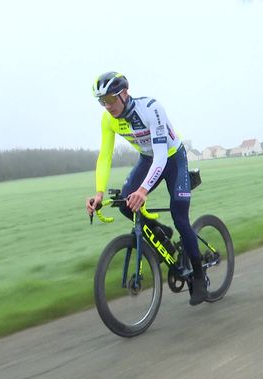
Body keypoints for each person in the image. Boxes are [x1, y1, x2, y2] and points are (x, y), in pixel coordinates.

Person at [85, 71, 205, 306]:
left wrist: (143, 190)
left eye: (110, 99)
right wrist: (99, 193)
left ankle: (199, 276)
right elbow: (105, 157)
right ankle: (160, 232)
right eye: (102, 101)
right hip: (147, 158)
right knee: (125, 205)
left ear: (124, 93)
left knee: (180, 217)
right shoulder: (108, 119)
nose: (107, 106)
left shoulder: (152, 109)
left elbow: (161, 155)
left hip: (172, 158)